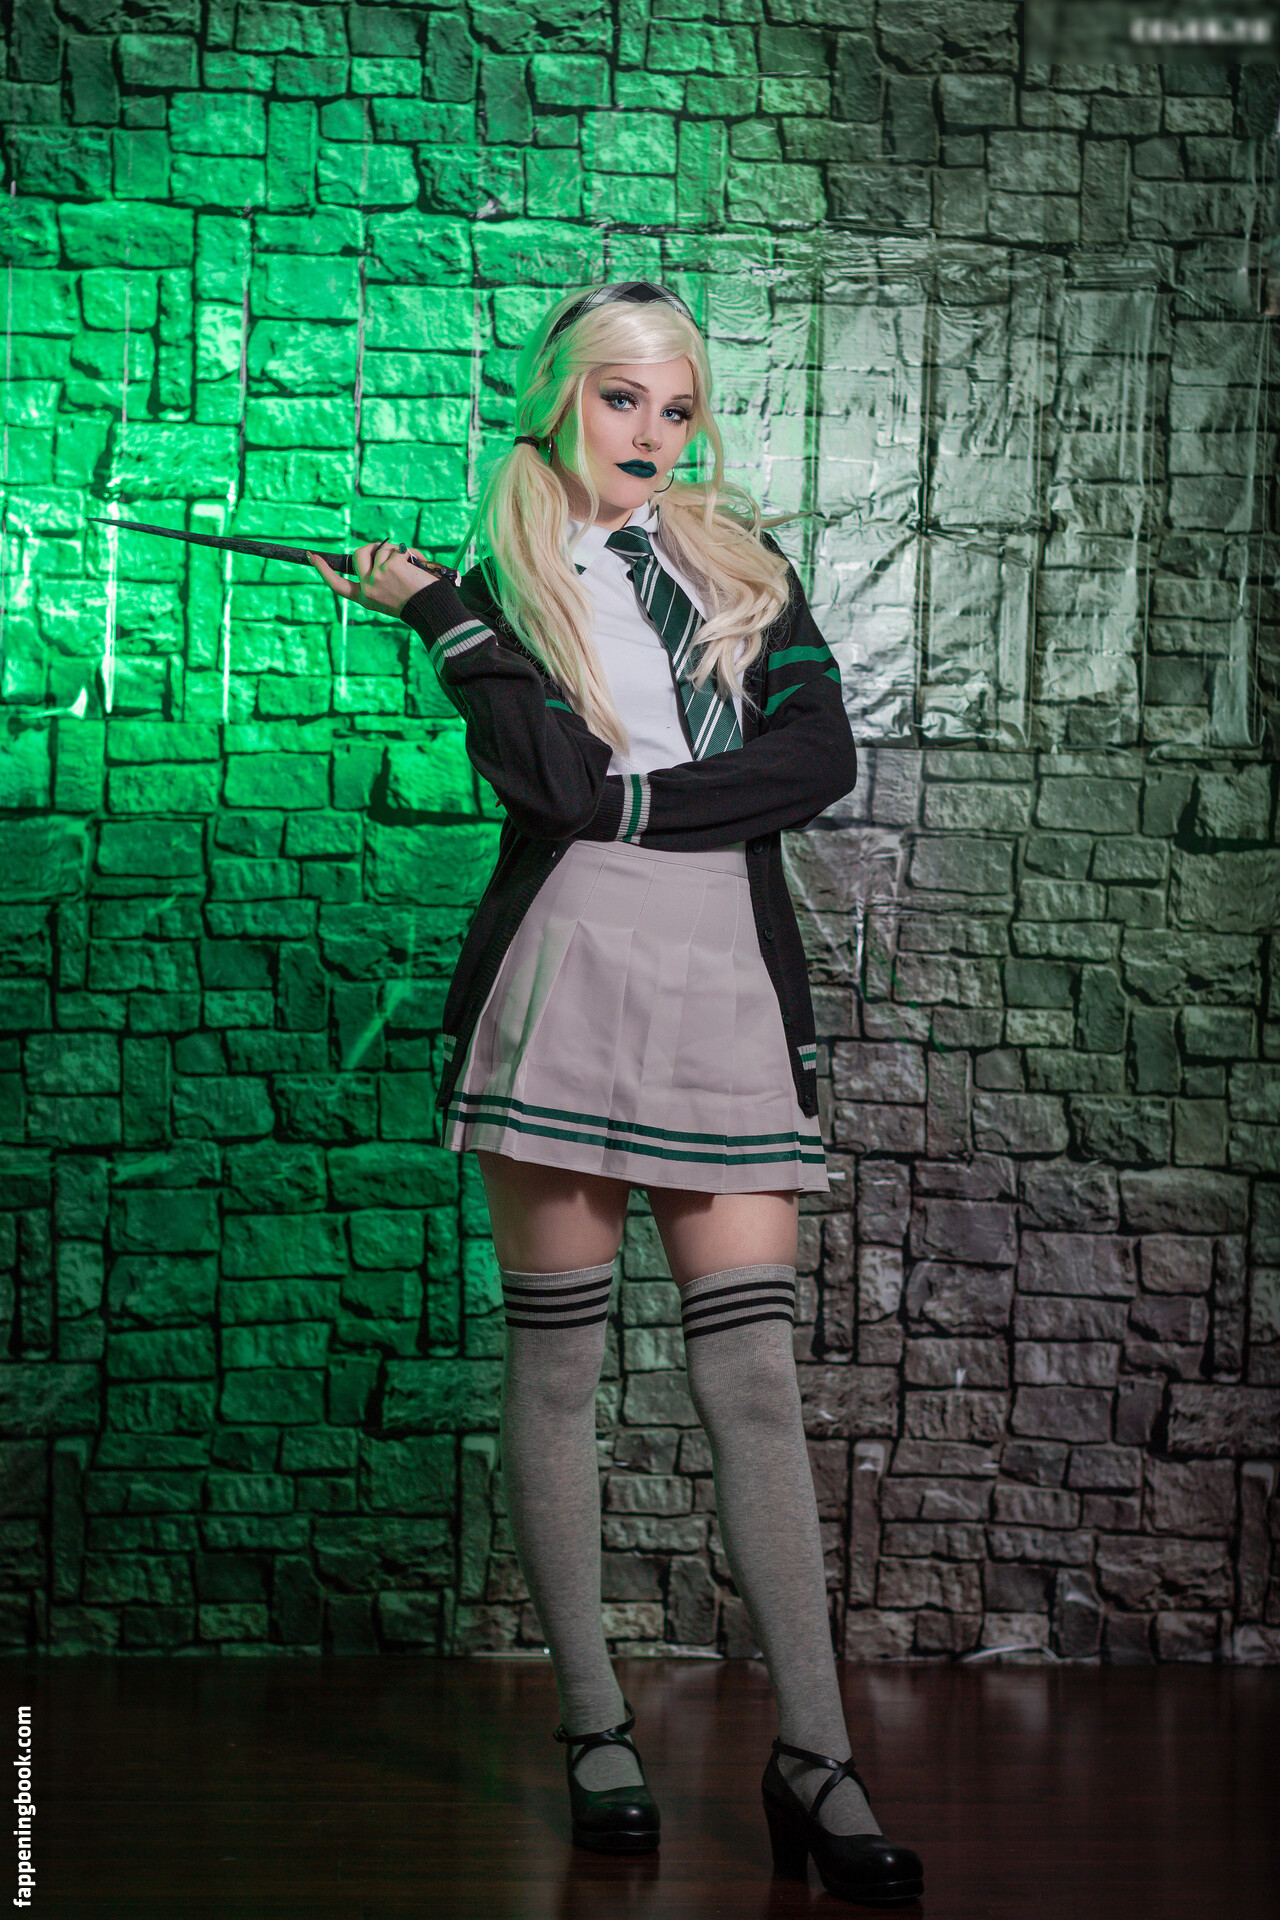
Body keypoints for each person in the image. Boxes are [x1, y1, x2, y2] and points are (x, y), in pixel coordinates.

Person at [310, 280, 924, 1908]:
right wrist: (445, 620)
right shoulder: (498, 583)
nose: (654, 434)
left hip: (725, 984)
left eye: (678, 406)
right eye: (621, 399)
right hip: (565, 978)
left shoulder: (745, 565)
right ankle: (595, 1727)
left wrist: (636, 802)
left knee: (756, 1382)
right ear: (559, 400)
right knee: (561, 1372)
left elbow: (816, 763)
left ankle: (817, 1757)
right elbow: (546, 783)